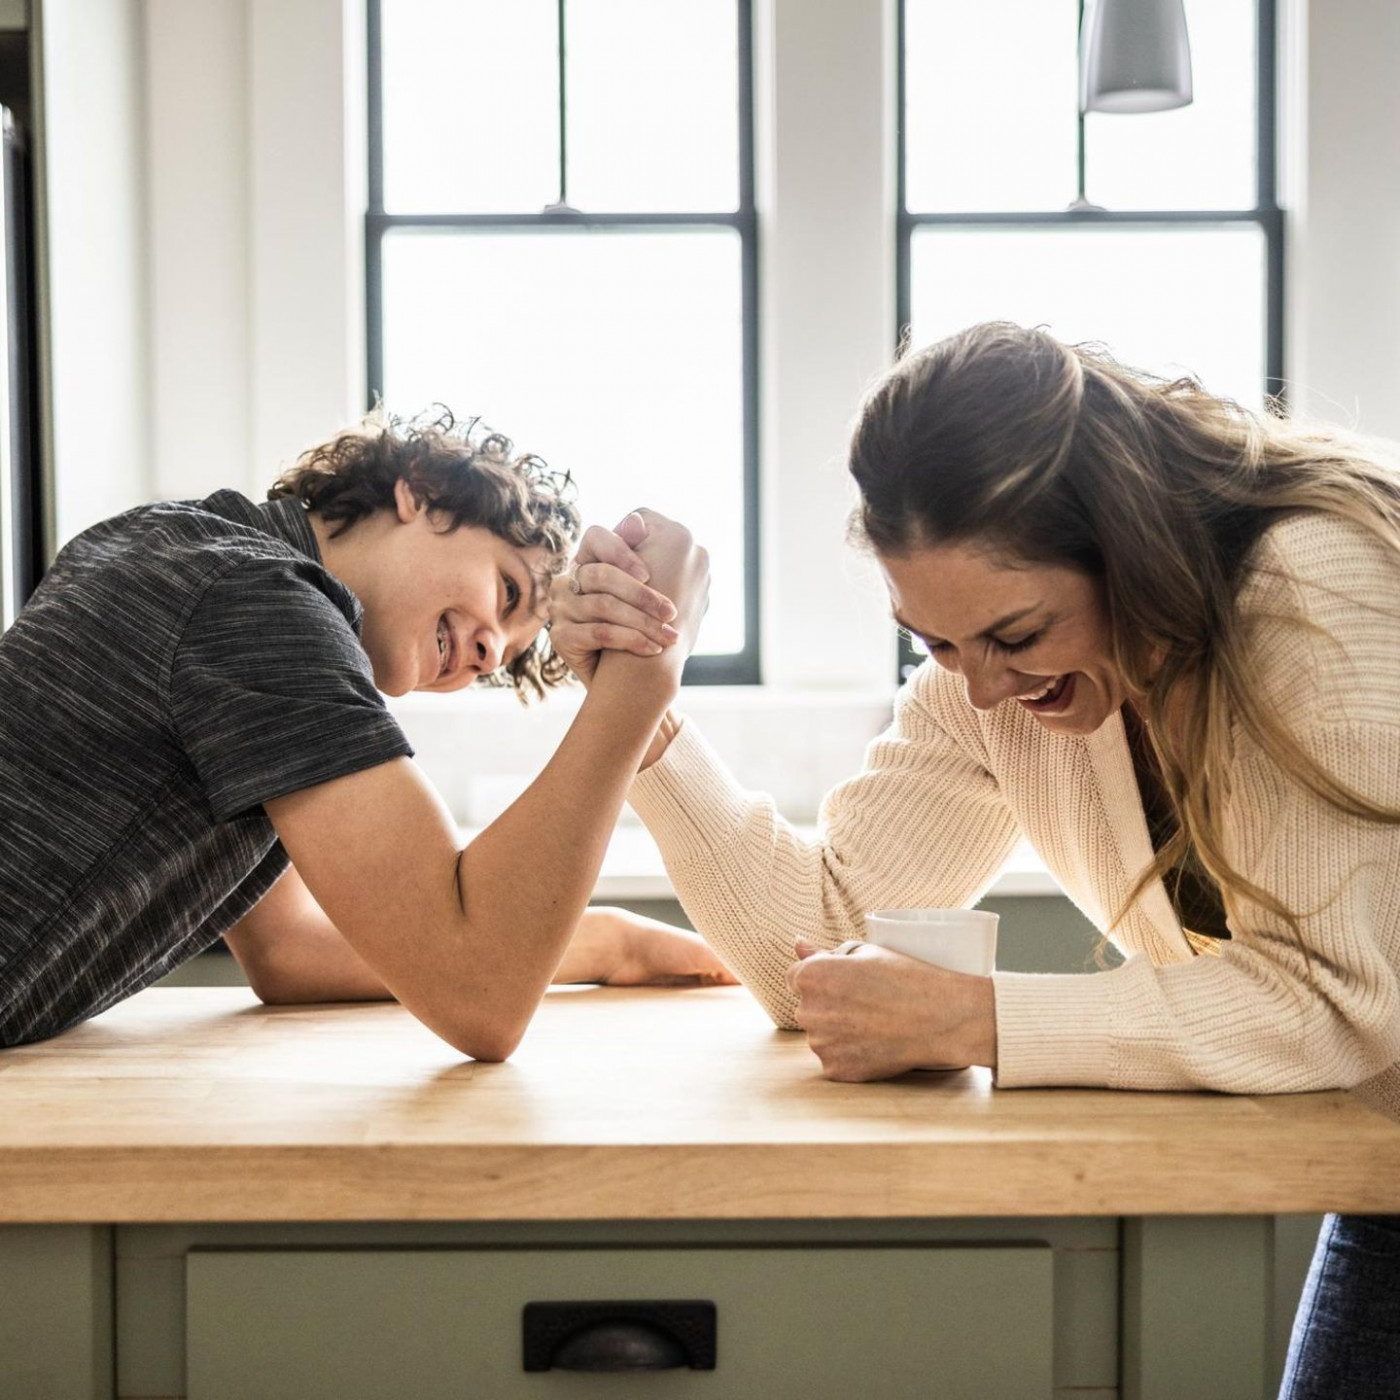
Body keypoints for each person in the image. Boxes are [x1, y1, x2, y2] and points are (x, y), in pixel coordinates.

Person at [549, 322, 1400, 1396]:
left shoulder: (1317, 590)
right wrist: (640, 701)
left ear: (1125, 545)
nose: (981, 688)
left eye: (1014, 633)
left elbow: (1338, 999)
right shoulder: (985, 683)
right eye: (936, 645)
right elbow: (807, 942)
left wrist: (973, 1017)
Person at [0, 407, 731, 1059]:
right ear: (419, 489)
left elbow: (290, 952)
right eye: (506, 591)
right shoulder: (261, 606)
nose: (485, 655)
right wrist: (646, 673)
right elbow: (478, 997)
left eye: (501, 658)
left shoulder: (185, 548)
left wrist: (606, 941)